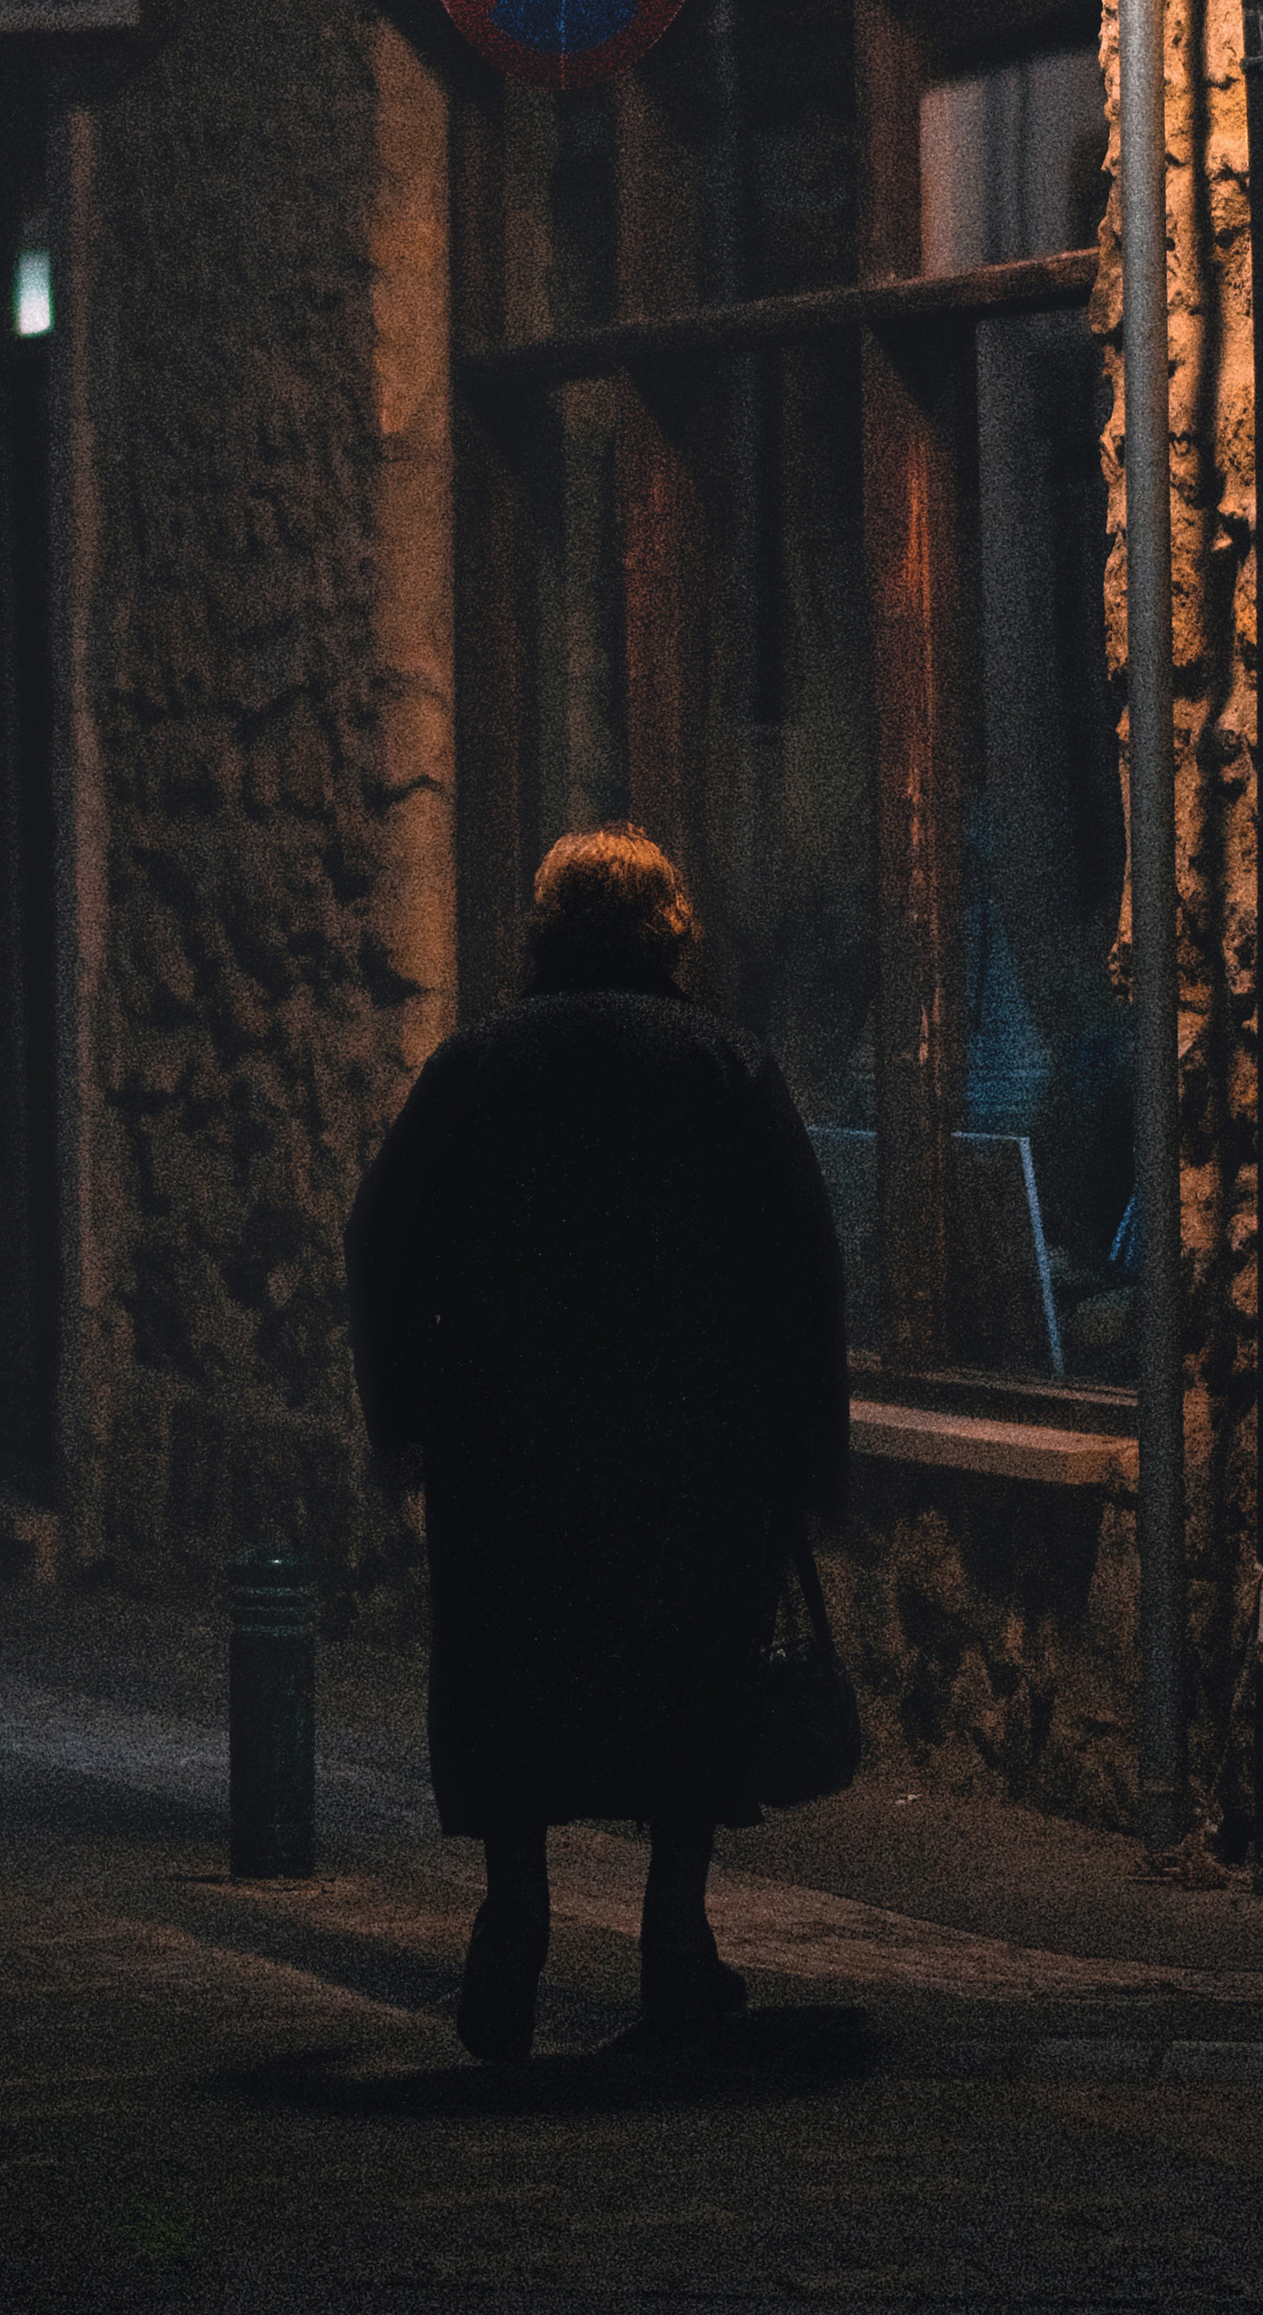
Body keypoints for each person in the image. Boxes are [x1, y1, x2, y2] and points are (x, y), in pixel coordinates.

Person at [344, 826, 849, 2061]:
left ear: (545, 929)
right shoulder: (728, 1066)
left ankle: (513, 1913)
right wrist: (806, 1447)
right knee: (685, 1677)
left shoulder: (476, 1065)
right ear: (666, 929)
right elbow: (803, 1264)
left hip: (508, 1436)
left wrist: (402, 1406)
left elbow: (379, 1231)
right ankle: (673, 1931)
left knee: (516, 1676)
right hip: (691, 1439)